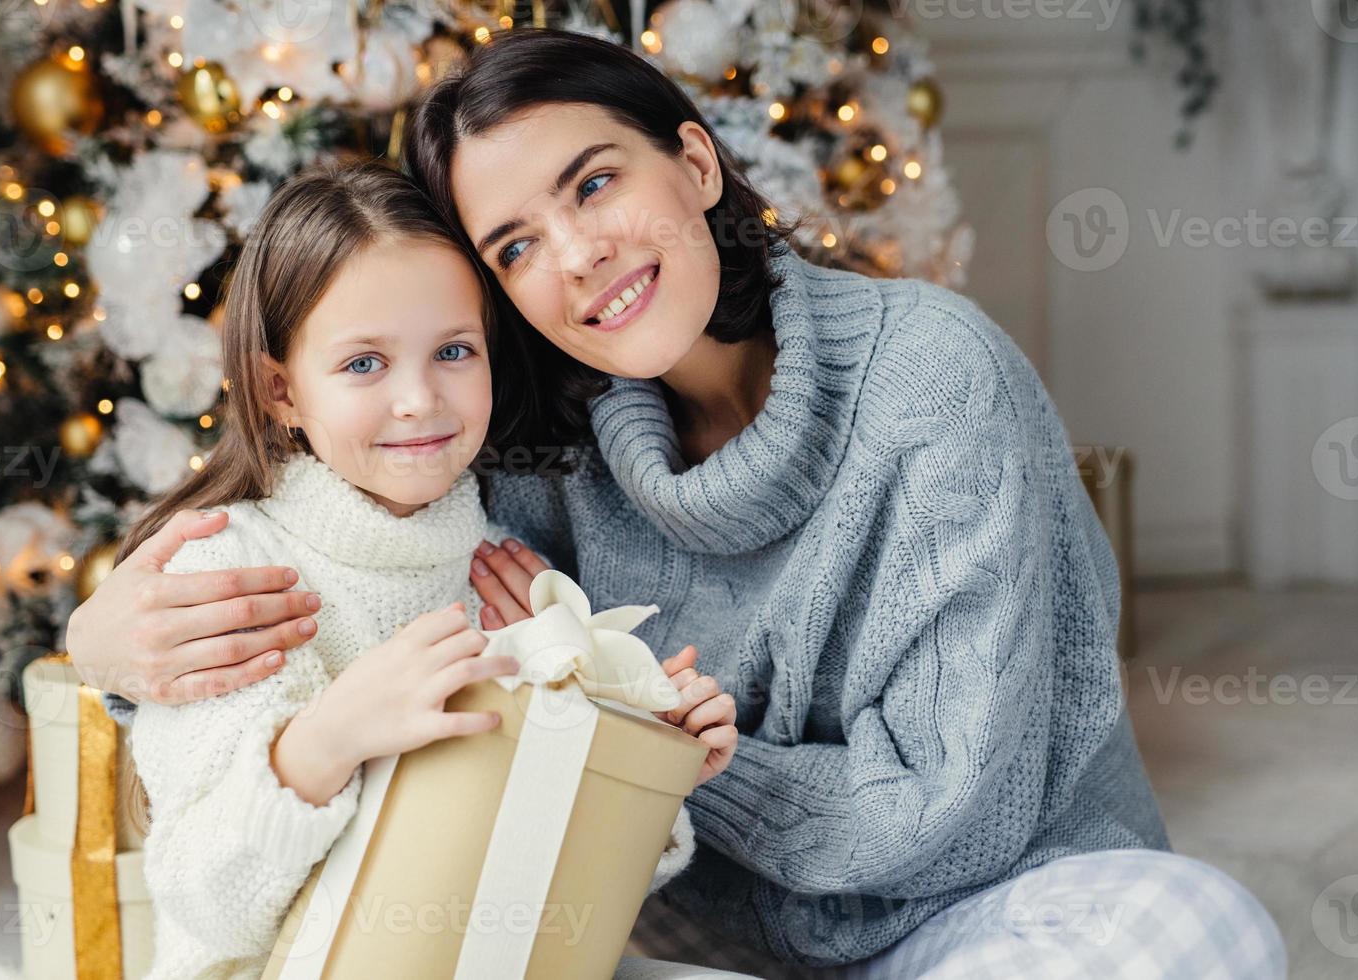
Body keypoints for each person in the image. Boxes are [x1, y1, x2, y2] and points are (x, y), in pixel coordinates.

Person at [71, 29, 1285, 978]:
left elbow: (953, 821)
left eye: (594, 184)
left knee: (1204, 929)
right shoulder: (512, 440)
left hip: (976, 919)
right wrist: (102, 642)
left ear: (695, 162)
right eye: (515, 246)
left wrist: (687, 757)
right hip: (679, 943)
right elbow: (339, 554)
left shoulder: (931, 382)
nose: (579, 254)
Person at [110, 160, 737, 979]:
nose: (419, 399)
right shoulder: (233, 573)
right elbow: (206, 904)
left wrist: (647, 768)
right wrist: (327, 740)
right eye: (364, 363)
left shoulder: (509, 580)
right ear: (280, 391)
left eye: (452, 351)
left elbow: (559, 888)